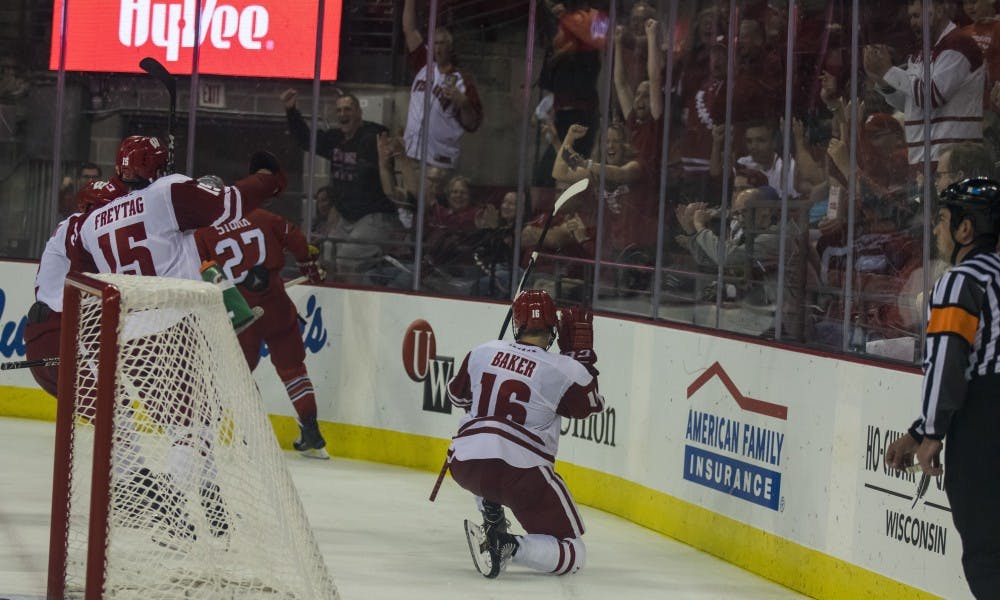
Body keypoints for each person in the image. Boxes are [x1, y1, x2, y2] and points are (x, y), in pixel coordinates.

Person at [884, 177, 1000, 599]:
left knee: (988, 553)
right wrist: (920, 429)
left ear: (966, 230)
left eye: (943, 220)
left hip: (986, 420)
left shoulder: (959, 280)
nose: (935, 230)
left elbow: (950, 364)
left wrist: (931, 433)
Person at [447, 289, 604, 578]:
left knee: (483, 445)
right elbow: (589, 406)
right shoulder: (564, 368)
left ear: (516, 326)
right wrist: (582, 361)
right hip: (521, 474)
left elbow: (457, 398)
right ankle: (508, 545)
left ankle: (490, 509)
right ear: (554, 331)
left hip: (464, 464)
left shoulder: (483, 351)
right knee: (574, 552)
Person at [195, 199, 330, 459]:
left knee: (238, 374)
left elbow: (198, 270)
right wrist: (308, 265)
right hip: (277, 303)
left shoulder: (202, 232)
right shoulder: (259, 215)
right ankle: (312, 431)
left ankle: (255, 436)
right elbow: (297, 239)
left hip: (240, 312)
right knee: (293, 370)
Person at [280, 89, 400, 281]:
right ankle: (335, 297)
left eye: (348, 109)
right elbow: (306, 140)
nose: (343, 114)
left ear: (359, 112)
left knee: (347, 257)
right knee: (326, 252)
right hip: (348, 216)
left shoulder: (372, 136)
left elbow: (382, 141)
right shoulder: (335, 139)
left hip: (375, 214)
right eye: (340, 110)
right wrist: (291, 111)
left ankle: (356, 301)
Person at [25, 178, 127, 397]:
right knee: (113, 415)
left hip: (53, 332)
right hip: (58, 333)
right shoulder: (79, 224)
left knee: (116, 413)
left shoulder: (77, 225)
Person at [863, 0, 984, 166]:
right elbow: (912, 105)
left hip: (953, 159)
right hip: (923, 158)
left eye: (917, 15)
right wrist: (882, 80)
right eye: (911, 17)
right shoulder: (921, 54)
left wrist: (889, 71)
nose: (913, 23)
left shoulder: (959, 43)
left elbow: (932, 97)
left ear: (940, 10)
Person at [400, 0, 484, 195]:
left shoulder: (463, 80)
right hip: (412, 155)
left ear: (450, 47)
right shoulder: (424, 64)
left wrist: (463, 103)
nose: (437, 48)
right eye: (434, 43)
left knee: (432, 211)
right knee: (409, 208)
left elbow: (473, 124)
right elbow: (409, 29)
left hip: (439, 162)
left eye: (442, 43)